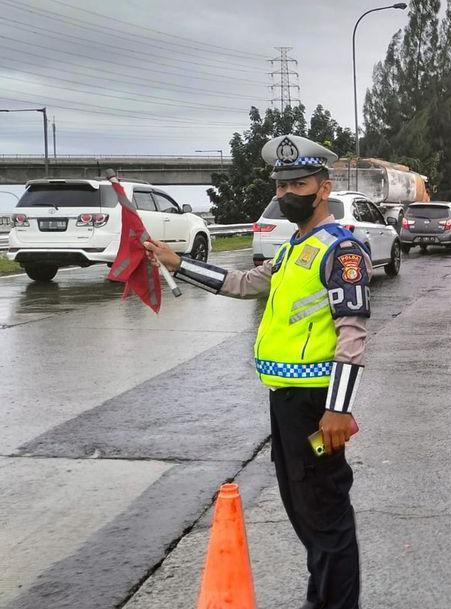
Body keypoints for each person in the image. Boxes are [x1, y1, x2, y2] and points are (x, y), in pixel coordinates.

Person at [143, 134, 370, 609]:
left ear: (323, 189)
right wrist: (178, 263)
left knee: (326, 518)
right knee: (307, 514)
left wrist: (338, 409)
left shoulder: (340, 249)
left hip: (316, 405)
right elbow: (244, 284)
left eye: (299, 184)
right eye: (281, 185)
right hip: (287, 402)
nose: (287, 194)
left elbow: (352, 335)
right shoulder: (294, 247)